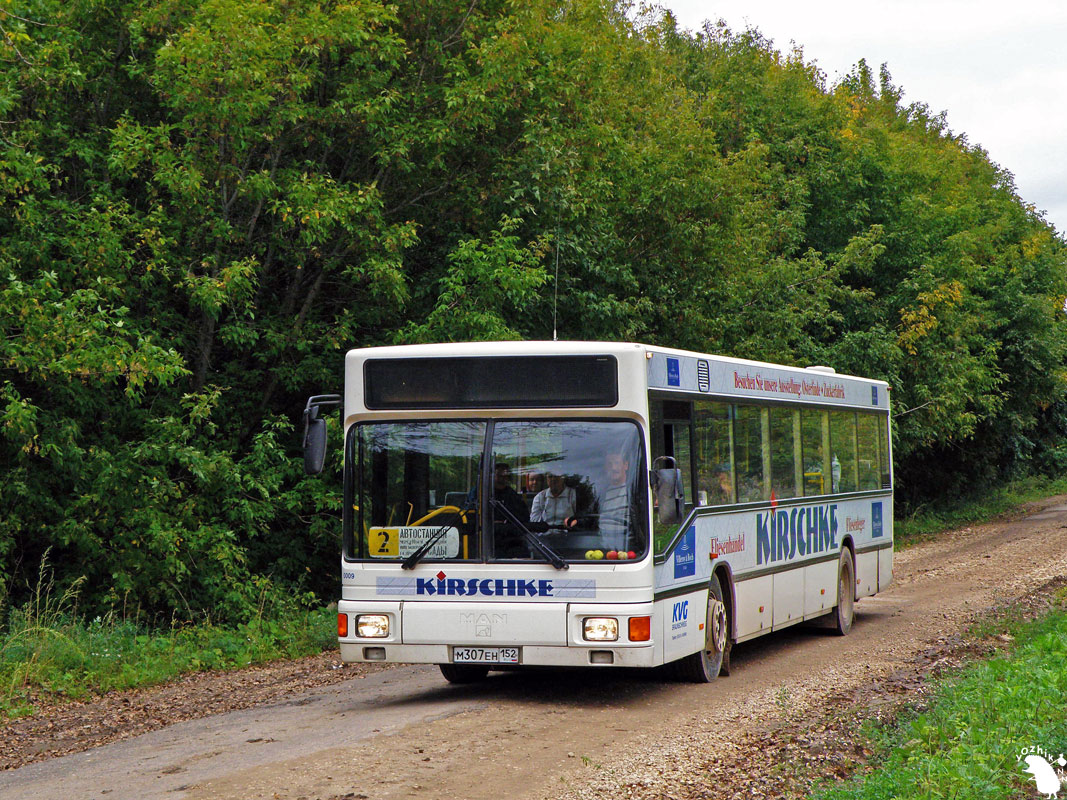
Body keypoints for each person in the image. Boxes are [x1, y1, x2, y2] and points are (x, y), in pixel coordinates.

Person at [491, 462, 529, 557]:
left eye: (506, 476)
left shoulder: (513, 496)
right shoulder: (479, 493)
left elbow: (524, 519)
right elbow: (471, 515)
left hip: (509, 540)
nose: (502, 479)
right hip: (484, 541)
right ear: (491, 476)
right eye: (499, 475)